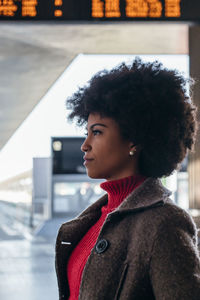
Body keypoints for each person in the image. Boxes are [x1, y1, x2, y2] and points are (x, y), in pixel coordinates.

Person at [55, 58, 200, 300]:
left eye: (97, 132)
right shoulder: (95, 218)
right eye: (86, 132)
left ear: (134, 139)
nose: (84, 145)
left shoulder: (165, 224)